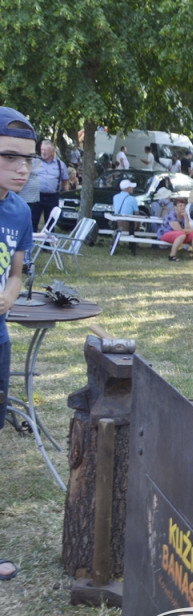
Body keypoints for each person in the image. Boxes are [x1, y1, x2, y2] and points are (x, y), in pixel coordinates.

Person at [0, 109, 36, 583]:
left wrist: (6, 300)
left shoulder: (20, 211)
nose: (22, 167)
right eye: (10, 157)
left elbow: (16, 273)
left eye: (27, 159)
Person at [29, 140, 68, 230]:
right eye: (42, 149)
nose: (43, 152)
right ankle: (30, 242)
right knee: (33, 220)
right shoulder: (35, 162)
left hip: (52, 197)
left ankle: (47, 243)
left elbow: (65, 180)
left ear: (52, 152)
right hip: (36, 196)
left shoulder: (60, 165)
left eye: (46, 150)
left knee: (50, 222)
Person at [156, 197, 193, 261]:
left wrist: (185, 217)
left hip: (179, 234)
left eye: (184, 205)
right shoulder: (171, 215)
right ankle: (172, 256)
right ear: (175, 207)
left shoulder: (184, 215)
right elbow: (178, 230)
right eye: (180, 206)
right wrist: (191, 230)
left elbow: (187, 229)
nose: (182, 207)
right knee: (181, 234)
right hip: (165, 233)